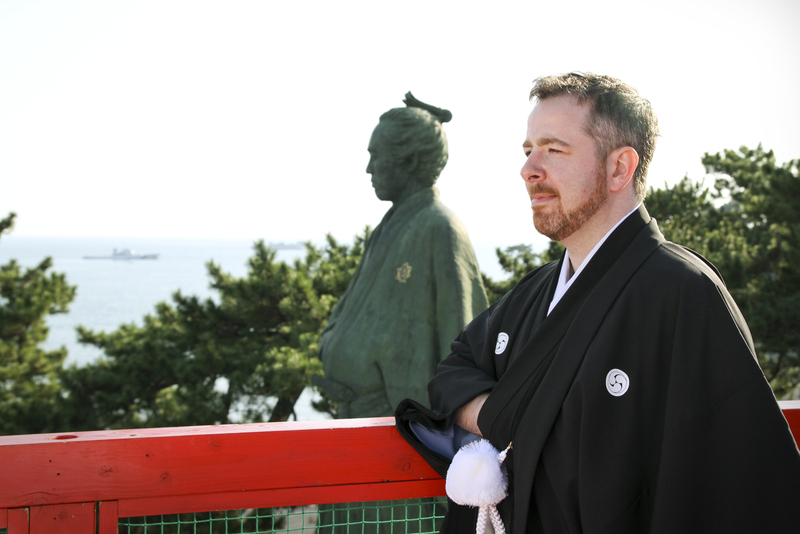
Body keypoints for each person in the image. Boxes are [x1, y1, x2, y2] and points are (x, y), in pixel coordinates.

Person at [396, 72, 800, 533]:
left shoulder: (684, 293)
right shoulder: (535, 291)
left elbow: (735, 481)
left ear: (619, 168)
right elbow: (454, 371)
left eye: (554, 149)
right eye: (528, 151)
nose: (529, 170)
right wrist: (503, 416)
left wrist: (519, 417)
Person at [315, 94, 488, 534]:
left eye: (376, 155)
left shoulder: (439, 228)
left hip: (402, 445)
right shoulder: (390, 226)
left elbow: (463, 339)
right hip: (358, 433)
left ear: (408, 160)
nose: (369, 168)